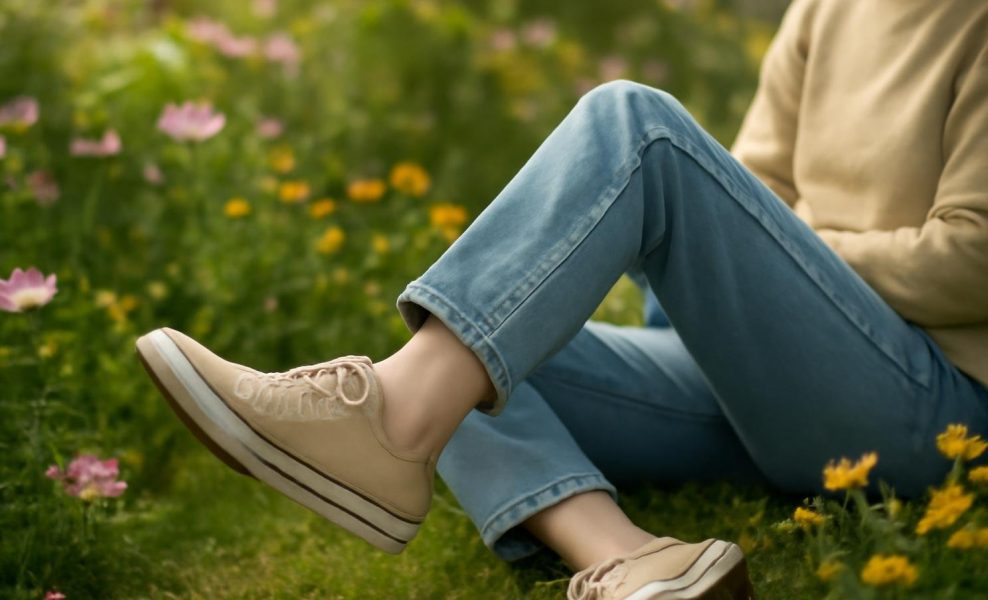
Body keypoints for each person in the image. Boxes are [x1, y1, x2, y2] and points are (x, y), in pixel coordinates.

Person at [135, 0, 988, 598]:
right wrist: (772, 266)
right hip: (769, 379)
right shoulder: (826, 8)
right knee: (472, 332)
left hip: (925, 404)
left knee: (637, 125)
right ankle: (636, 564)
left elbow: (972, 256)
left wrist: (793, 263)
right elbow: (756, 189)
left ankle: (387, 424)